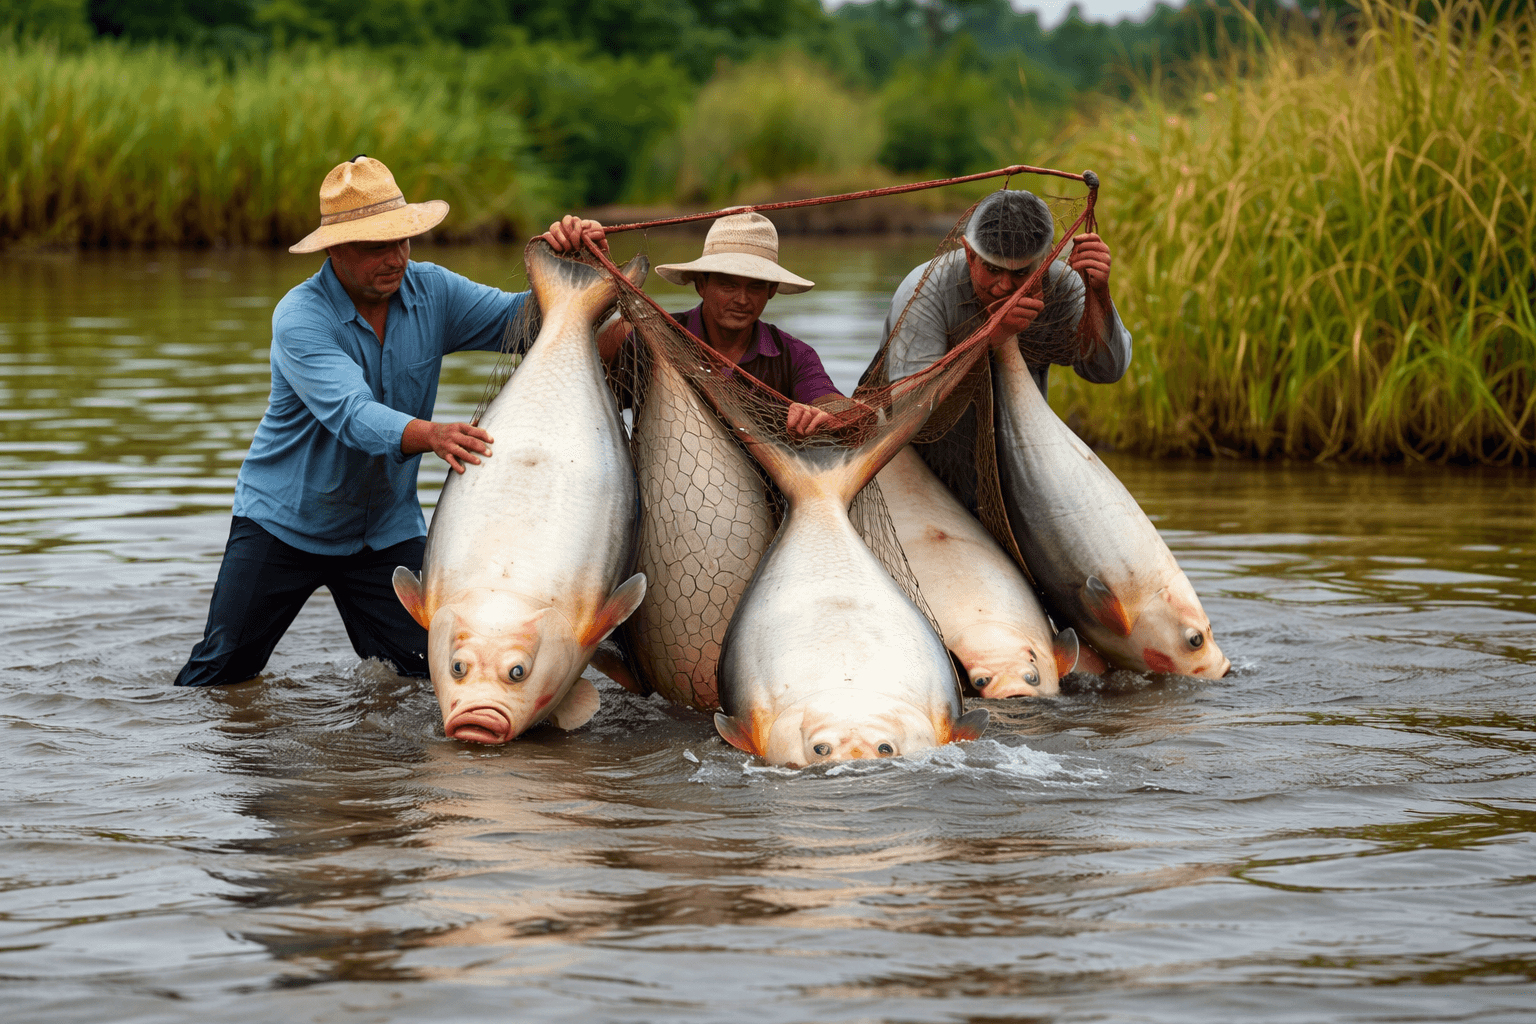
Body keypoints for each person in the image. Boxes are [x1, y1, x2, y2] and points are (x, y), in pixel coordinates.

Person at [174, 155, 604, 688]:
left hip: (382, 532)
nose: (395, 257)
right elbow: (352, 416)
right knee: (218, 677)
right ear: (334, 250)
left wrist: (574, 269)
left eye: (402, 240)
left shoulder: (434, 291)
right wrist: (431, 434)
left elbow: (523, 321)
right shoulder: (301, 317)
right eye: (376, 246)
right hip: (283, 524)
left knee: (433, 677)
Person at [876, 188, 1132, 508]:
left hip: (1012, 470)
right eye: (993, 269)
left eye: (1022, 273)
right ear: (970, 254)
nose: (1005, 286)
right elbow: (908, 409)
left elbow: (1107, 370)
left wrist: (1099, 293)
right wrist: (989, 340)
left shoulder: (1062, 285)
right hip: (918, 470)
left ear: (1046, 258)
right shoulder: (925, 291)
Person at [598, 211, 845, 438]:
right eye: (728, 285)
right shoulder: (653, 337)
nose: (742, 300)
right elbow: (589, 370)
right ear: (701, 285)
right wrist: (578, 252)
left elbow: (831, 403)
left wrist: (823, 414)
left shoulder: (794, 356)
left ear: (771, 291)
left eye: (756, 286)